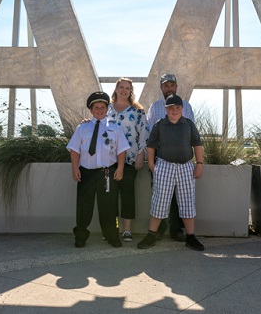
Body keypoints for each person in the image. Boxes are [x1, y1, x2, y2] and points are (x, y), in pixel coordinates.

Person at [137, 94, 205, 251]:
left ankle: (191, 237)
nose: (174, 111)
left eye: (177, 108)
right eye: (171, 108)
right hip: (164, 166)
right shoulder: (160, 125)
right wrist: (152, 165)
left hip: (186, 167)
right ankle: (151, 235)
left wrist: (199, 164)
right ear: (166, 109)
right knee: (160, 201)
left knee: (187, 202)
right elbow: (151, 145)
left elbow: (197, 144)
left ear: (182, 109)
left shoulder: (188, 124)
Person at [67, 91, 130, 248]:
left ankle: (112, 236)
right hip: (86, 172)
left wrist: (120, 168)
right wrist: (75, 168)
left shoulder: (115, 128)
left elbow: (121, 150)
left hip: (107, 173)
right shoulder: (82, 128)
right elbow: (74, 150)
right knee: (84, 206)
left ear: (107, 108)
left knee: (109, 207)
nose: (100, 110)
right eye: (96, 107)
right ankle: (80, 236)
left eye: (103, 107)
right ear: (91, 109)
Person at [146, 73, 194, 241]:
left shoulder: (186, 106)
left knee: (179, 196)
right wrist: (151, 162)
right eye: (166, 86)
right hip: (161, 159)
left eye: (172, 85)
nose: (169, 88)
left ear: (176, 87)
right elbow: (150, 133)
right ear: (161, 88)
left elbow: (191, 132)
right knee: (159, 194)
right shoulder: (155, 107)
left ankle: (176, 229)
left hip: (181, 161)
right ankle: (159, 229)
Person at [107, 78, 149, 241]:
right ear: (116, 89)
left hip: (130, 159)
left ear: (131, 91)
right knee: (109, 195)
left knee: (127, 194)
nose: (124, 90)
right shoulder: (107, 109)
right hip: (108, 159)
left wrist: (141, 155)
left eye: (127, 88)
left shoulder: (137, 112)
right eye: (121, 87)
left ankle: (126, 230)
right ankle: (112, 228)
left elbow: (144, 134)